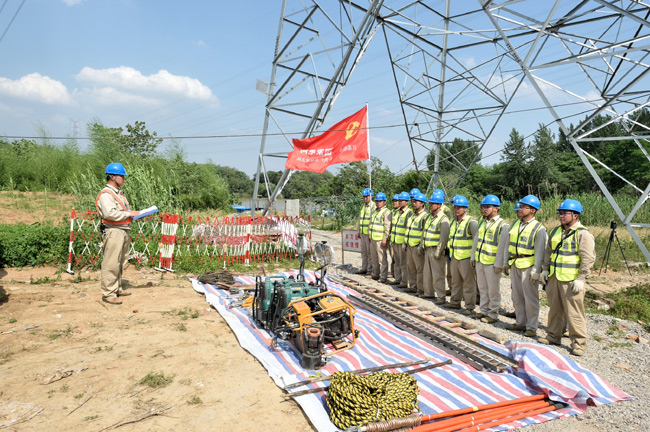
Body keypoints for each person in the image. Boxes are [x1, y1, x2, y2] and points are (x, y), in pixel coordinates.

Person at [538, 199, 595, 357]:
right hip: (554, 277)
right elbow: (548, 252)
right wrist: (544, 270)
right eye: (560, 213)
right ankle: (553, 336)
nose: (561, 216)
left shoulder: (583, 234)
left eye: (565, 213)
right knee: (555, 310)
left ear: (575, 215)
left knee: (574, 313)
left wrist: (581, 278)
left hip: (571, 280)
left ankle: (579, 343)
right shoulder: (555, 231)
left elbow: (588, 258)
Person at [95, 163, 140, 305]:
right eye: (122, 176)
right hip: (113, 231)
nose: (124, 179)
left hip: (123, 230)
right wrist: (128, 213)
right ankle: (108, 293)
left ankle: (117, 288)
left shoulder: (117, 193)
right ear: (112, 177)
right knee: (111, 262)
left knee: (121, 261)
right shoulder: (106, 194)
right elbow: (109, 214)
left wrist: (132, 215)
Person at [506, 195, 547, 337]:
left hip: (528, 266)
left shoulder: (539, 228)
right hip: (515, 263)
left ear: (533, 210)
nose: (521, 208)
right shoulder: (516, 224)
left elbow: (540, 251)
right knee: (517, 296)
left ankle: (531, 326)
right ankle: (520, 322)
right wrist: (507, 261)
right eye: (521, 206)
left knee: (530, 298)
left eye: (524, 206)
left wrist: (537, 270)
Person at [471, 195, 509, 323]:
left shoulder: (502, 225)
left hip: (492, 263)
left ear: (496, 208)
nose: (484, 209)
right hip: (480, 260)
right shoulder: (482, 222)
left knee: (493, 290)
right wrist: (473, 257)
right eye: (482, 207)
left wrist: (499, 264)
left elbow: (502, 247)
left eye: (487, 207)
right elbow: (476, 241)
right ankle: (483, 311)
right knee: (482, 288)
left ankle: (493, 314)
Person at [446, 195, 478, 315]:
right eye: (455, 207)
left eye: (460, 207)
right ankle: (455, 302)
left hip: (466, 257)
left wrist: (473, 257)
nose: (456, 209)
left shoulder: (471, 222)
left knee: (469, 283)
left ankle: (469, 307)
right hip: (454, 256)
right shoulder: (453, 221)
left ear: (465, 209)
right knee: (455, 281)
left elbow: (476, 240)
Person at [421, 190, 450, 303]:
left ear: (439, 205)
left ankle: (441, 296)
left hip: (436, 250)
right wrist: (421, 246)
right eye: (430, 203)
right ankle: (428, 293)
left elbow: (444, 238)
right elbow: (424, 232)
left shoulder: (443, 219)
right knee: (427, 273)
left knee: (438, 274)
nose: (431, 205)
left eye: (433, 203)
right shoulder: (429, 217)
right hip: (428, 248)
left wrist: (439, 251)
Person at [405, 192, 428, 294]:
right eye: (413, 201)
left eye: (416, 202)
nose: (413, 203)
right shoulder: (412, 215)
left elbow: (424, 233)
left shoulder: (424, 216)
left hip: (417, 246)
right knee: (411, 267)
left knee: (420, 269)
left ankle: (421, 289)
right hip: (410, 245)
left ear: (422, 204)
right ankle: (413, 286)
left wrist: (421, 246)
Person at [390, 191, 412, 287]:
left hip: (402, 241)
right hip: (395, 240)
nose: (400, 202)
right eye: (399, 200)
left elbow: (408, 228)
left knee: (403, 263)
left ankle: (404, 281)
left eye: (402, 200)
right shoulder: (396, 212)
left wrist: (405, 242)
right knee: (396, 262)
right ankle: (398, 279)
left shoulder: (409, 213)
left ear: (407, 202)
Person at [368, 193, 392, 282]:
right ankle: (375, 274)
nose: (378, 203)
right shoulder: (374, 211)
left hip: (380, 239)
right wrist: (370, 235)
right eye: (377, 201)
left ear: (385, 202)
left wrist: (385, 238)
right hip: (373, 238)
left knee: (382, 259)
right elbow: (371, 224)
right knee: (374, 258)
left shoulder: (386, 212)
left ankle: (383, 276)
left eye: (380, 201)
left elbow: (387, 227)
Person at [355, 188, 375, 275]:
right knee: (364, 252)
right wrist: (358, 230)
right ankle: (364, 268)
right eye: (364, 197)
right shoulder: (363, 206)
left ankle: (370, 269)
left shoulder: (373, 206)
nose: (365, 198)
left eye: (367, 196)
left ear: (371, 196)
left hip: (369, 234)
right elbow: (360, 219)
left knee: (370, 253)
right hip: (363, 233)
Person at [389, 194, 401, 279]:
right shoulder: (393, 212)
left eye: (396, 201)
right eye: (393, 201)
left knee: (399, 260)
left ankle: (400, 277)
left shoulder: (406, 213)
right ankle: (394, 273)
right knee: (393, 258)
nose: (394, 203)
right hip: (393, 239)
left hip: (400, 240)